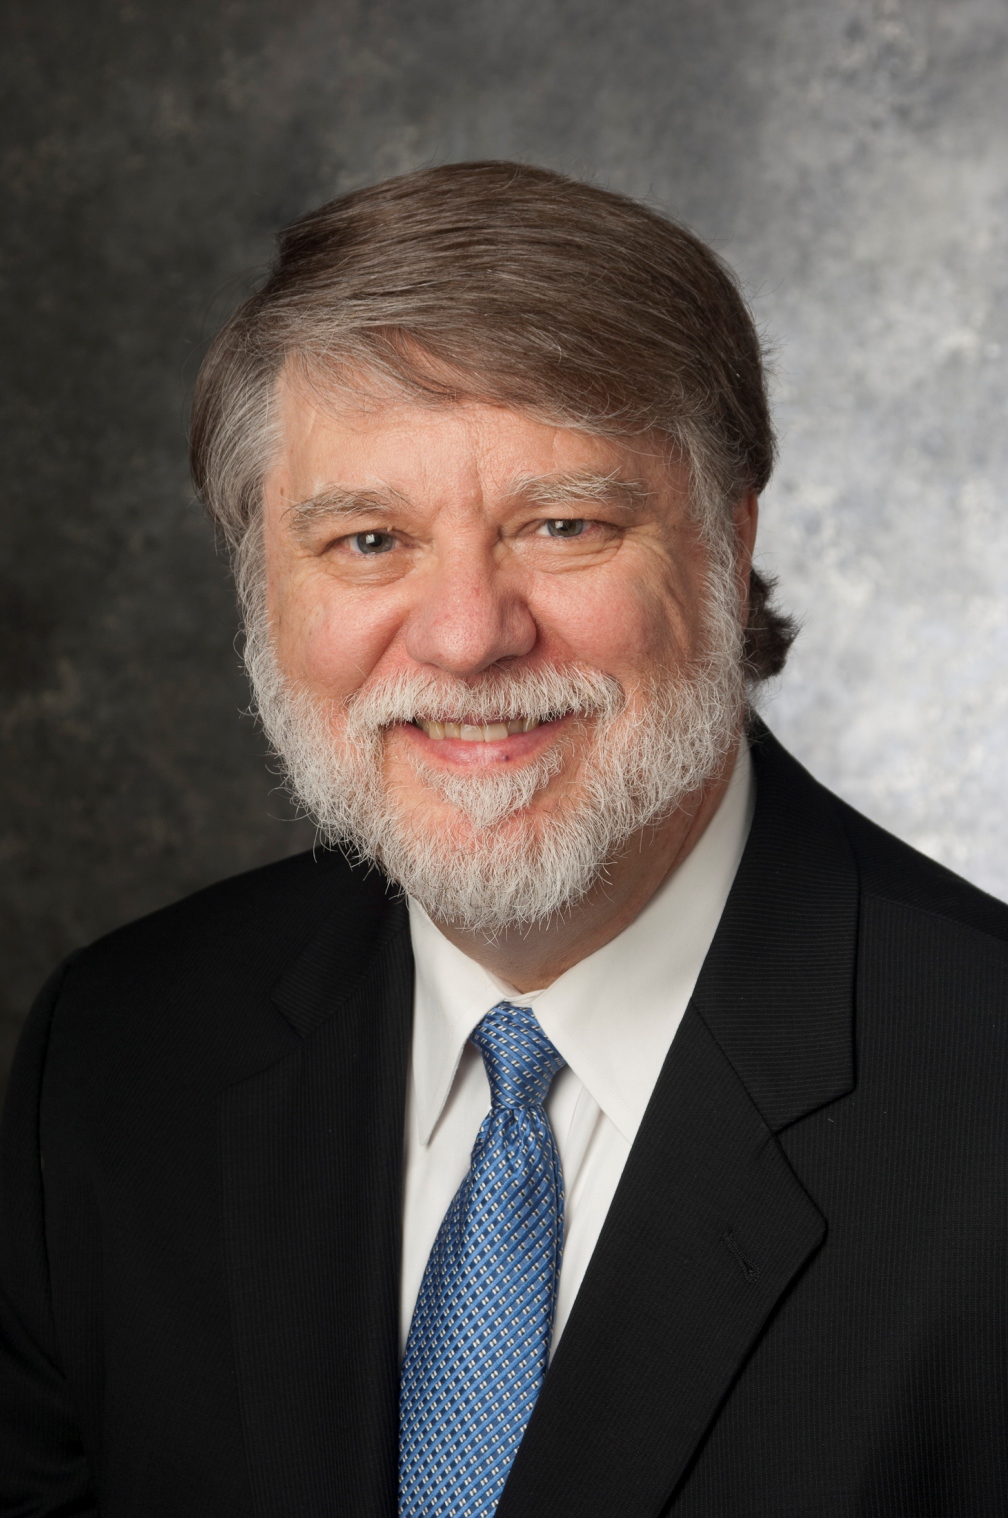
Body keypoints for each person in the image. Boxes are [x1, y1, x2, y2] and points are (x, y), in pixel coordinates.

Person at [2, 161, 1007, 1518]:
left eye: (564, 524)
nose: (470, 633)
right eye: (369, 539)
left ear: (727, 538)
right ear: (262, 589)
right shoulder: (119, 1061)